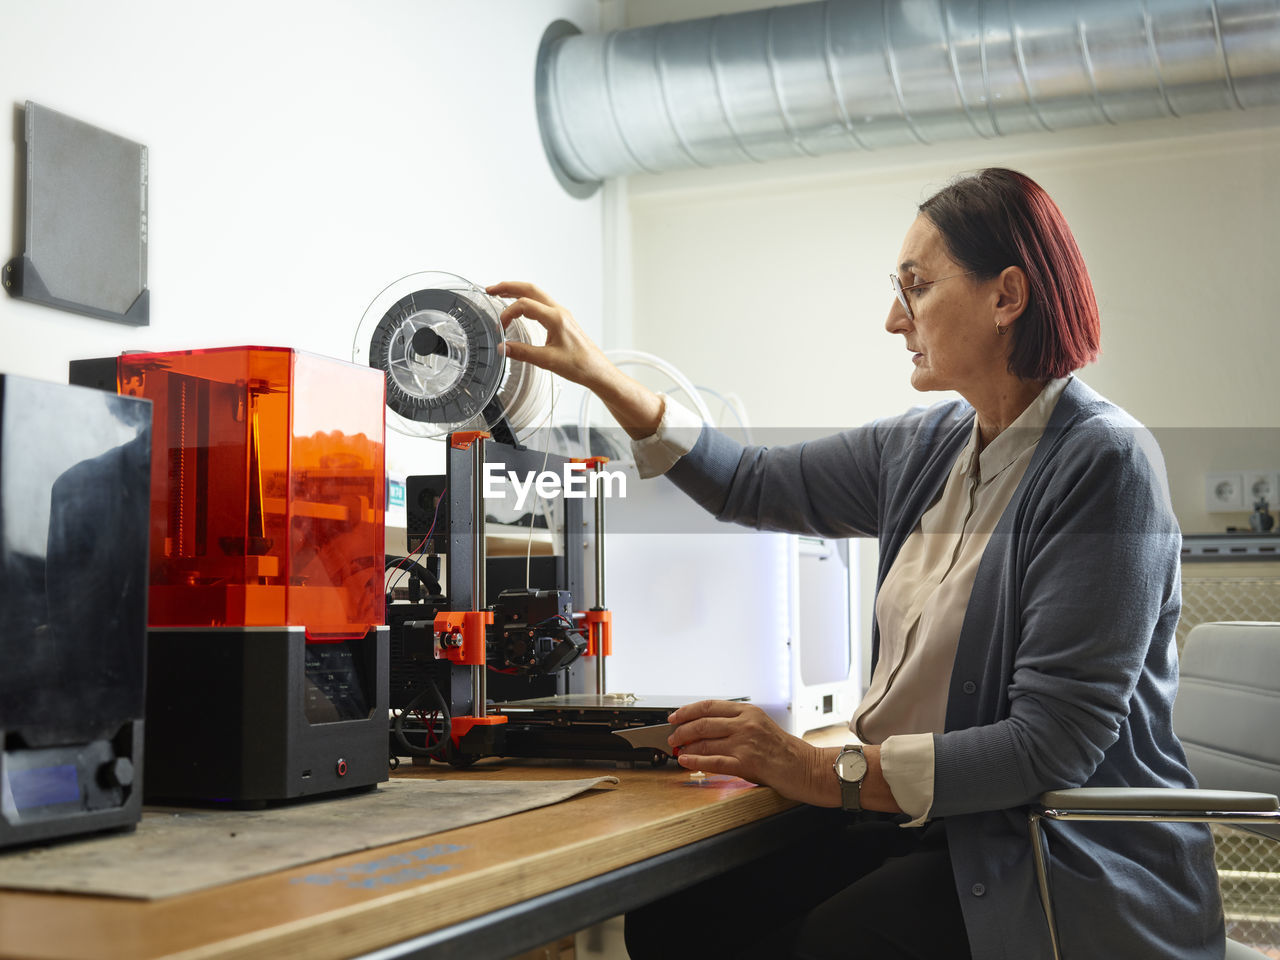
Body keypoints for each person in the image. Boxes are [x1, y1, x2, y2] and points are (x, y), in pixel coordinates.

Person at [485, 167, 1223, 960]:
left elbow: (1048, 748)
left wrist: (816, 767)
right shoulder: (925, 445)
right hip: (918, 824)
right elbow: (748, 482)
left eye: (915, 286)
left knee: (828, 945)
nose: (892, 319)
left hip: (1049, 853)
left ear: (1007, 297)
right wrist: (602, 376)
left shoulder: (1105, 465)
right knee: (677, 919)